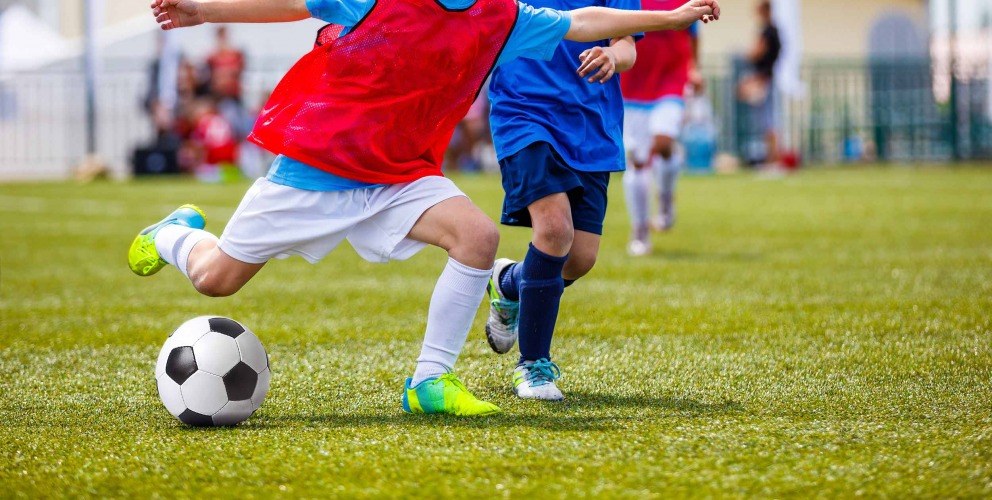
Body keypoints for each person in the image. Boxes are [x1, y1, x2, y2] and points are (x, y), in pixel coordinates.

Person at [133, 0, 720, 416]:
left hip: (399, 171)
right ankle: (172, 235)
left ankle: (430, 378)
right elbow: (292, 3)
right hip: (320, 162)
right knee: (216, 279)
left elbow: (583, 22)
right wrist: (201, 10)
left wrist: (669, 18)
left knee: (477, 236)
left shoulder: (499, 14)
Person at [484, 0, 718, 399]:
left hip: (591, 123)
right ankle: (534, 365)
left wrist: (614, 53)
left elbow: (627, 44)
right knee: (555, 231)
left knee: (580, 258)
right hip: (525, 113)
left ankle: (508, 282)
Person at [620, 0, 702, 256]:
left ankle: (665, 201)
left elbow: (693, 32)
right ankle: (640, 232)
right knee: (638, 161)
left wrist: (695, 68)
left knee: (664, 143)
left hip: (671, 80)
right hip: (631, 85)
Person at [739, 0, 781, 167]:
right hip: (768, 78)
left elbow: (756, 53)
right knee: (768, 120)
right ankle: (772, 159)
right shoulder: (775, 31)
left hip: (764, 80)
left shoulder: (768, 31)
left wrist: (746, 54)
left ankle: (773, 160)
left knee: (767, 121)